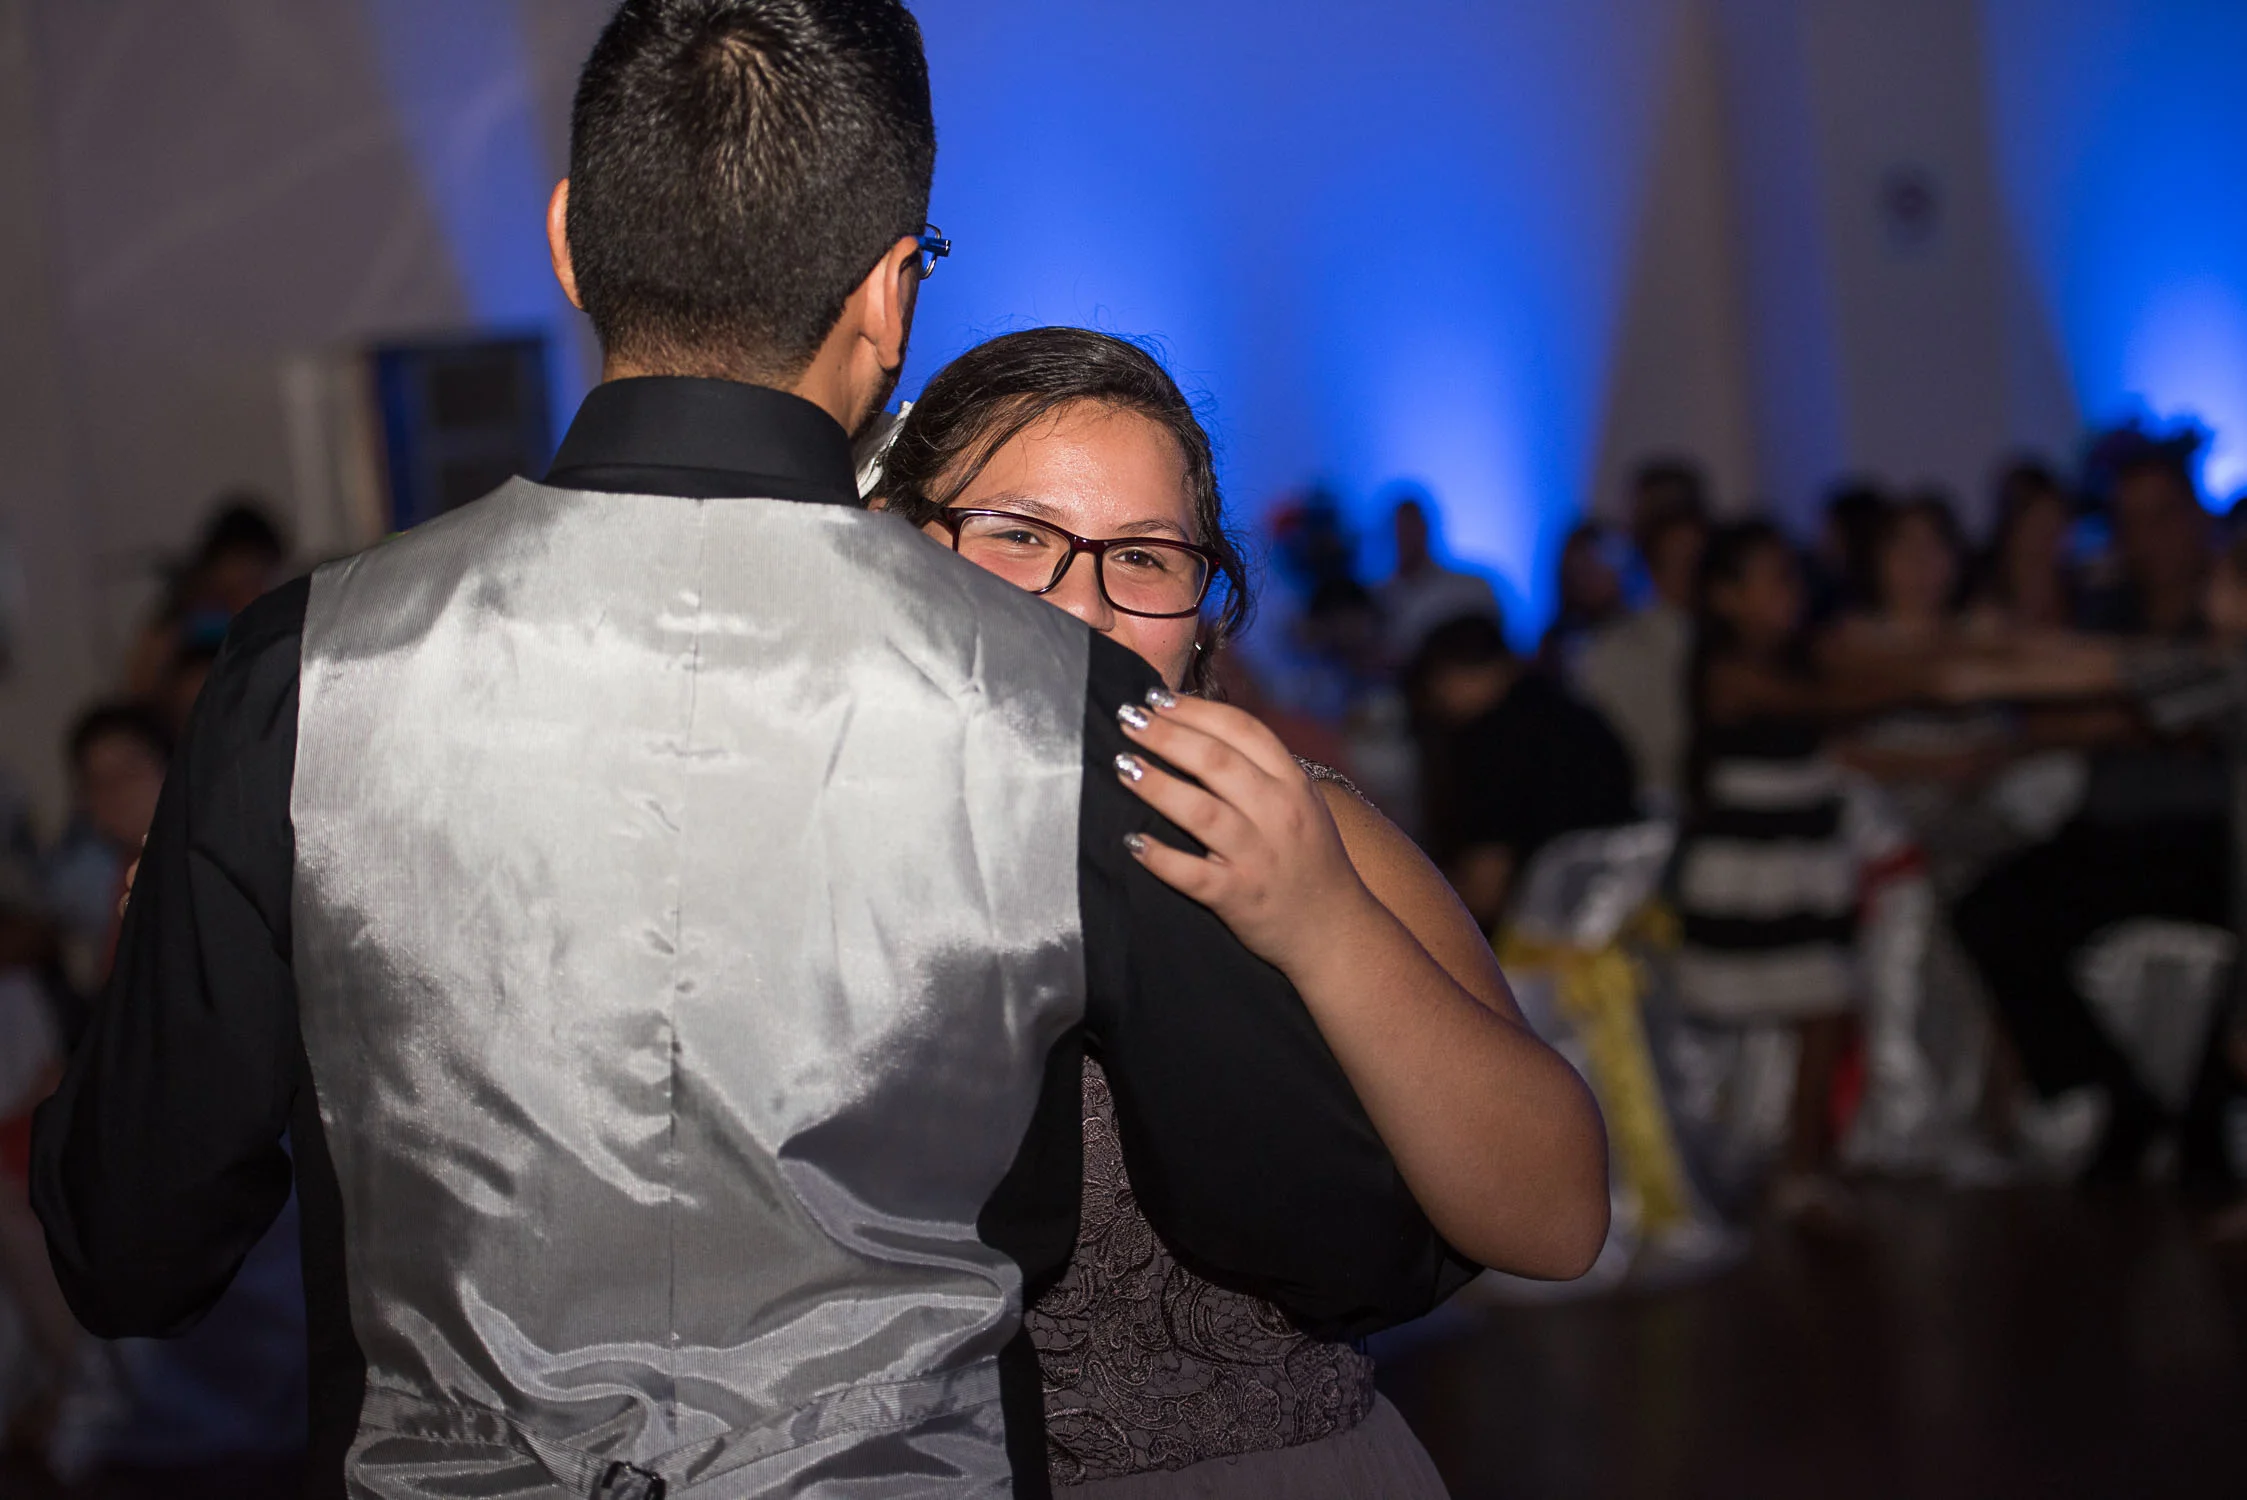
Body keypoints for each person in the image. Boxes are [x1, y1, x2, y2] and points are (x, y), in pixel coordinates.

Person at [33, 5, 1475, 1494]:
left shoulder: (307, 671)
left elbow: (129, 1254)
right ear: (890, 296)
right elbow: (1334, 1240)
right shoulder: (1054, 700)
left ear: (569, 242)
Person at [871, 327, 1607, 1494]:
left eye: (1145, 556)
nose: (1083, 606)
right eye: (1018, 535)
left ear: (1203, 610)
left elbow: (1557, 1221)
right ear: (892, 547)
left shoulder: (1295, 829)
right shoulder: (806, 840)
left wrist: (1322, 922)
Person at [1407, 614, 1638, 931]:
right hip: (1616, 919)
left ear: (1449, 676)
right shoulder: (1576, 713)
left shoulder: (1490, 743)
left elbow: (1485, 890)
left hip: (1532, 937)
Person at [1578, 493, 1707, 813]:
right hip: (1649, 813)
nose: (1694, 575)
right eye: (1679, 562)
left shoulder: (1742, 645)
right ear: (1651, 567)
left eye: (1702, 562)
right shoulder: (1611, 651)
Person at [1374, 492, 1502, 662]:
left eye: (1412, 528)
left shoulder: (1472, 589)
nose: (1406, 536)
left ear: (1426, 529)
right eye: (1401, 529)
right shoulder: (1376, 598)